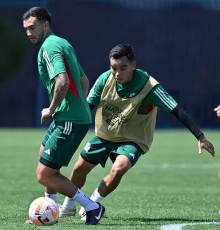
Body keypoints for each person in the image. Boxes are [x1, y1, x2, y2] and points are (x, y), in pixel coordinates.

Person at [59, 44, 215, 219]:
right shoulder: (105, 79)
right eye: (113, 68)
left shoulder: (149, 86)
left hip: (133, 139)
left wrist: (200, 136)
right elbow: (87, 107)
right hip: (105, 134)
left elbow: (176, 109)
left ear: (133, 65)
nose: (117, 73)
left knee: (119, 168)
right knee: (79, 168)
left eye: (123, 68)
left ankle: (92, 204)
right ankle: (68, 205)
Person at [22, 6, 105, 225]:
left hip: (68, 118)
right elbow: (84, 81)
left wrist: (51, 109)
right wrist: (79, 107)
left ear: (45, 24)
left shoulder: (48, 47)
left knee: (44, 174)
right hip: (69, 116)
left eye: (33, 27)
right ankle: (50, 210)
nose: (29, 32)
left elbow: (63, 81)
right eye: (26, 29)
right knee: (44, 156)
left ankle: (92, 207)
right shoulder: (63, 42)